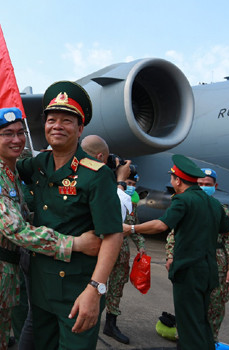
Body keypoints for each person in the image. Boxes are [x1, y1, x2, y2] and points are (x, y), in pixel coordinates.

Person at [0, 82, 124, 350]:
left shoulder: (97, 175)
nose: (57, 125)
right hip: (41, 290)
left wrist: (95, 290)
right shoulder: (39, 164)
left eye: (66, 120)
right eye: (51, 119)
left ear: (80, 129)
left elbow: (113, 236)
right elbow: (10, 164)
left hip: (77, 292)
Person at [0, 107, 102, 350]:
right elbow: (18, 230)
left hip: (1, 283)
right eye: (7, 134)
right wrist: (74, 243)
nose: (16, 139)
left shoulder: (11, 174)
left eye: (19, 132)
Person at [125, 155, 229, 350]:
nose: (171, 182)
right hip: (209, 272)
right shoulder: (215, 204)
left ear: (178, 180)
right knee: (202, 322)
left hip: (189, 271)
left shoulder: (183, 200)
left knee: (188, 326)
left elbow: (160, 225)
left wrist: (132, 229)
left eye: (172, 178)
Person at [80, 135, 145, 345]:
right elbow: (114, 214)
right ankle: (91, 319)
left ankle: (110, 322)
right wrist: (118, 181)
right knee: (95, 287)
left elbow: (132, 223)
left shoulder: (124, 194)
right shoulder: (101, 182)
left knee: (117, 286)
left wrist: (141, 247)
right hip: (99, 247)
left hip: (120, 248)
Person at [165, 168, 229, 343]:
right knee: (191, 308)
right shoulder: (188, 203)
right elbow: (173, 233)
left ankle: (210, 341)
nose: (204, 187)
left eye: (208, 185)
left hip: (217, 264)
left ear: (216, 186)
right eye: (200, 184)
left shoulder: (220, 209)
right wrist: (170, 255)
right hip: (190, 260)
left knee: (214, 308)